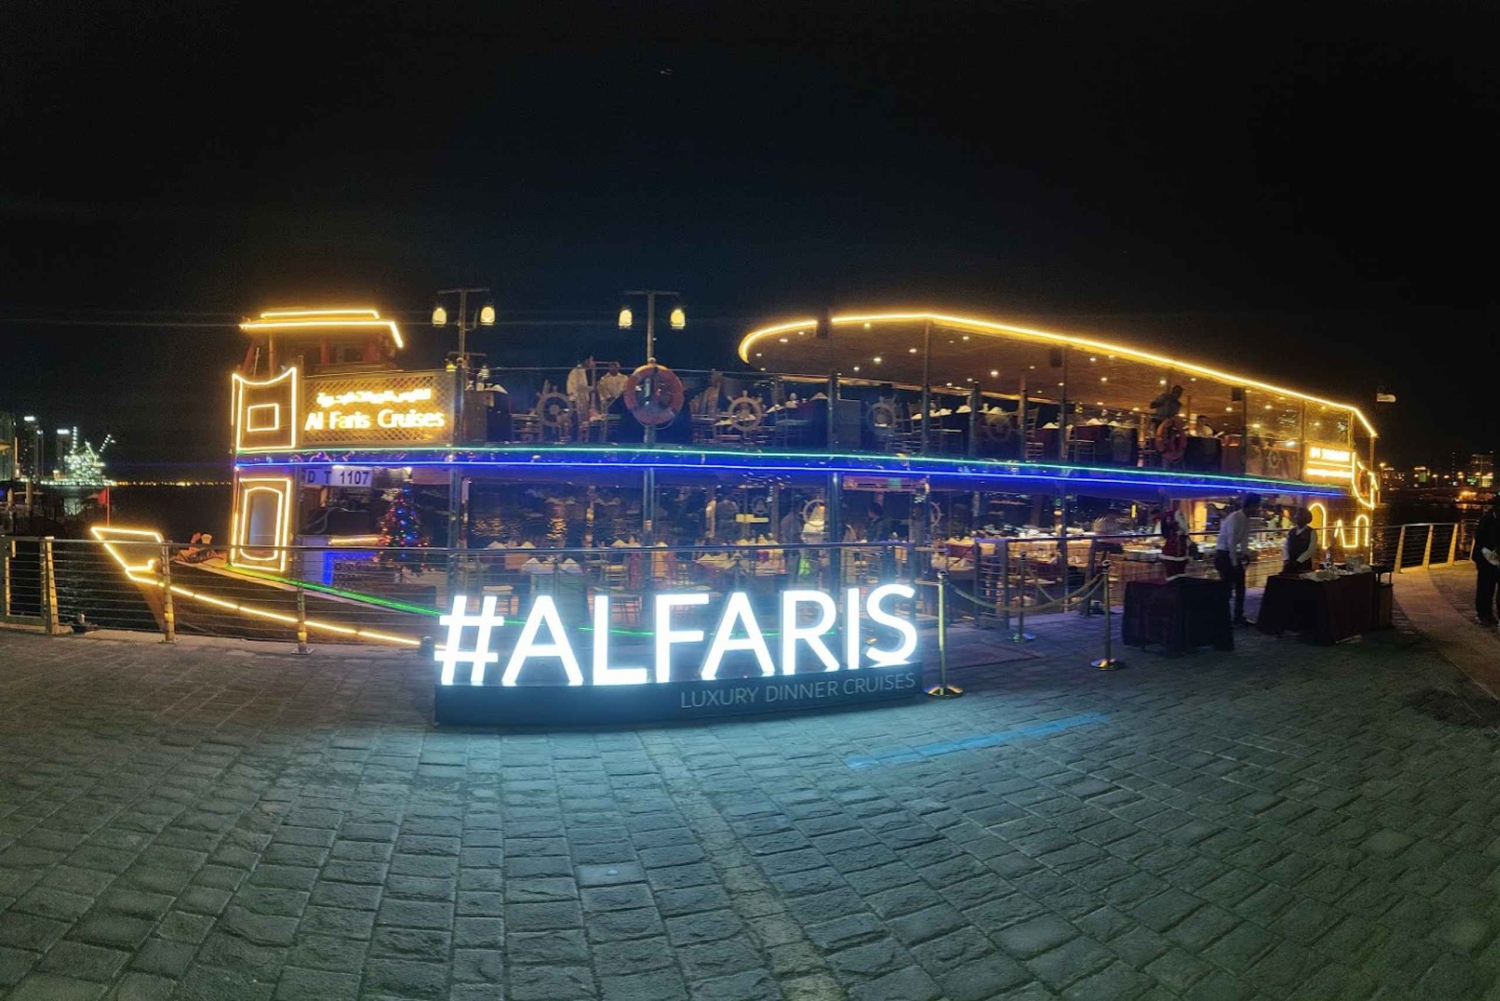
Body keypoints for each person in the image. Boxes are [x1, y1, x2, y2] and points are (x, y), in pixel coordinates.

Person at [1214, 492, 1260, 626]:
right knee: (1227, 588)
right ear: (1250, 505)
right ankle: (1223, 617)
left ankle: (1238, 616)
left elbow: (1244, 540)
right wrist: (1235, 563)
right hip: (1223, 554)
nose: (1257, 510)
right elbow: (1231, 542)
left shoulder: (1246, 519)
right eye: (1256, 506)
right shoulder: (1235, 518)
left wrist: (1245, 554)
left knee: (1240, 587)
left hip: (1231, 554)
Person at [1473, 495, 1500, 625]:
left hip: (1493, 558)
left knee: (1487, 589)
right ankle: (1484, 615)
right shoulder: (1487, 519)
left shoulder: (1489, 518)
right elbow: (1480, 539)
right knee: (1485, 589)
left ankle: (1490, 616)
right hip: (1486, 559)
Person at [1281, 507, 1318, 576]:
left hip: (1304, 565)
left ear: (1306, 518)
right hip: (1290, 563)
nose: (1297, 517)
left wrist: (1299, 561)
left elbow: (1311, 550)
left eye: (1300, 515)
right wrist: (1286, 560)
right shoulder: (1291, 531)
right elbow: (1285, 546)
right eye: (1297, 515)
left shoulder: (1311, 532)